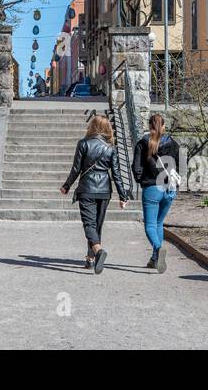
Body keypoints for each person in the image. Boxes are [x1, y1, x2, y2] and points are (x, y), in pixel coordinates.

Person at [59, 113, 130, 274]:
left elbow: (76, 169)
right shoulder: (111, 148)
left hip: (87, 189)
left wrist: (67, 185)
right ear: (107, 129)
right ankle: (90, 259)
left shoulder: (83, 144)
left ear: (92, 126)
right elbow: (117, 174)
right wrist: (123, 196)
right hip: (104, 190)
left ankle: (98, 251)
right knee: (96, 226)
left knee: (89, 224)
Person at [133, 112, 180, 273]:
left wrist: (141, 180)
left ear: (149, 126)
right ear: (164, 126)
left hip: (152, 187)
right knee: (159, 223)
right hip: (169, 188)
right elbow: (181, 165)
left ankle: (158, 249)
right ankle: (155, 259)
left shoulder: (143, 143)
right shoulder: (173, 143)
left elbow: (137, 167)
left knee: (150, 226)